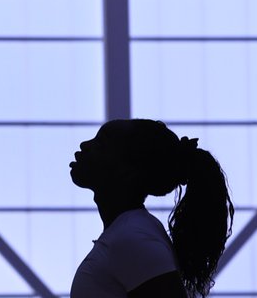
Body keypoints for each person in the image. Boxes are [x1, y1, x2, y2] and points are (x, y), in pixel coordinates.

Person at [69, 119, 234, 298]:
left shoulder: (132, 238)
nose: (85, 145)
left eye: (101, 143)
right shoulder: (131, 233)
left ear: (129, 171)